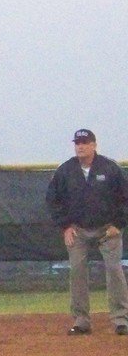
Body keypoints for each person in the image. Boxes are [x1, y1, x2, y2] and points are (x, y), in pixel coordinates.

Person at [45, 128, 128, 336]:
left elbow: (125, 198)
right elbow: (53, 201)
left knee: (114, 270)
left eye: (85, 142)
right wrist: (65, 226)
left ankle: (121, 320)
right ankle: (81, 321)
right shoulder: (65, 170)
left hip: (107, 229)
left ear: (94, 145)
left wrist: (118, 224)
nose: (80, 146)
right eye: (77, 143)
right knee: (77, 271)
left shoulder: (110, 168)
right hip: (78, 230)